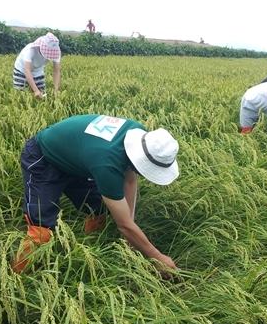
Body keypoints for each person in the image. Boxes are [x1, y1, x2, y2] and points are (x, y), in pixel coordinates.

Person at [11, 114, 180, 276]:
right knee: (42, 230)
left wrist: (130, 234)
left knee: (98, 208)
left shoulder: (139, 136)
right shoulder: (107, 165)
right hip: (43, 156)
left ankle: (90, 248)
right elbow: (124, 225)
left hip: (77, 160)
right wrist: (156, 256)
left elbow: (129, 181)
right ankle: (16, 279)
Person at [13, 32, 61, 99]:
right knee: (21, 95)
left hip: (38, 71)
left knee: (41, 96)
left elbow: (57, 71)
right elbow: (27, 70)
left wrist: (56, 90)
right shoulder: (30, 50)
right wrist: (35, 90)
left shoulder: (55, 52)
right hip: (22, 70)